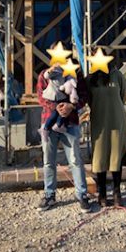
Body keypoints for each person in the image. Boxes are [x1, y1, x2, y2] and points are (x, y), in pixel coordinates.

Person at [36, 45, 91, 213]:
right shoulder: (45, 74)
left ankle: (82, 194)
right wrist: (58, 108)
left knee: (75, 160)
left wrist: (71, 106)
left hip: (71, 122)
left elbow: (84, 95)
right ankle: (49, 194)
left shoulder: (76, 73)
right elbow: (40, 96)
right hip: (49, 122)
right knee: (48, 161)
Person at [86, 53, 126, 208]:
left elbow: (123, 96)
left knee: (117, 156)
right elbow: (88, 100)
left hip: (117, 119)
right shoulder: (90, 79)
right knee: (100, 157)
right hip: (99, 121)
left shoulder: (118, 76)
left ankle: (117, 192)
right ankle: (102, 194)